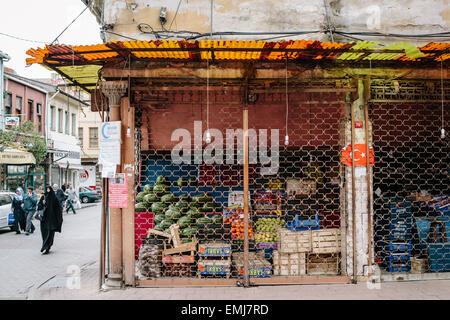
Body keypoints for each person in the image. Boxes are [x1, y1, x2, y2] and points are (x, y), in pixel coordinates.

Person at [40, 186, 63, 254]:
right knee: (44, 234)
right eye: (46, 189)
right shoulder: (43, 197)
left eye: (49, 189)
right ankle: (45, 246)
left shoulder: (54, 198)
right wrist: (42, 203)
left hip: (51, 220)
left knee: (50, 234)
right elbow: (39, 206)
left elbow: (58, 209)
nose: (47, 190)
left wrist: (58, 219)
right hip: (44, 219)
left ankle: (47, 247)